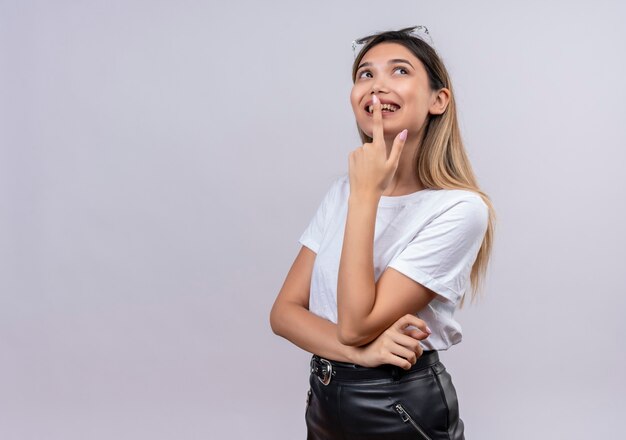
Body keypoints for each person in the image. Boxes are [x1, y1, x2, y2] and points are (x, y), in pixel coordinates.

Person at [270, 25, 496, 440]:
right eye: (365, 75)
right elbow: (284, 313)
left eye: (399, 71)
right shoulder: (342, 191)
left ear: (438, 100)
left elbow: (355, 323)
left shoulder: (460, 209)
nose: (377, 86)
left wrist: (366, 197)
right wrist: (362, 352)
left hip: (399, 407)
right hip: (324, 399)